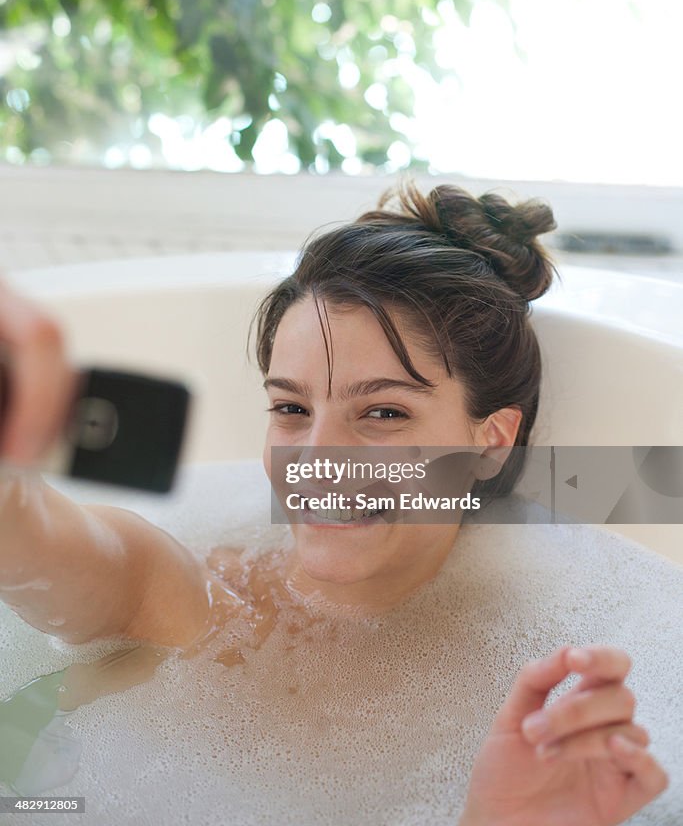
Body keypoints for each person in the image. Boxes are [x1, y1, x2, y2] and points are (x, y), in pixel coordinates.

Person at [0, 179, 670, 824]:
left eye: (381, 412)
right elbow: (33, 536)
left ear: (491, 442)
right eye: (290, 407)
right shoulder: (196, 600)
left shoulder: (565, 661)